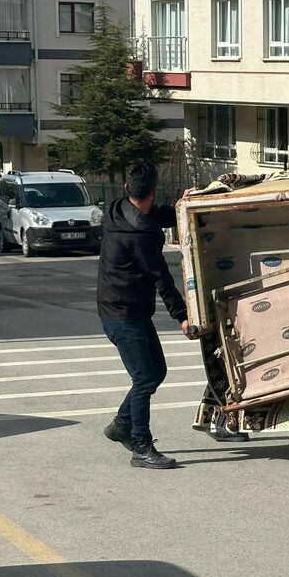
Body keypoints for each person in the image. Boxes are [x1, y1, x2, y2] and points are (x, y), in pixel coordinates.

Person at [97, 161, 192, 470]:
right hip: (124, 315)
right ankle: (140, 445)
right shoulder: (140, 236)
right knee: (144, 378)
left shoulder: (117, 212)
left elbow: (154, 214)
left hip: (122, 310)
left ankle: (121, 425)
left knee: (157, 372)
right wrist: (182, 317)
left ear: (128, 190)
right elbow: (162, 278)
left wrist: (182, 206)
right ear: (153, 191)